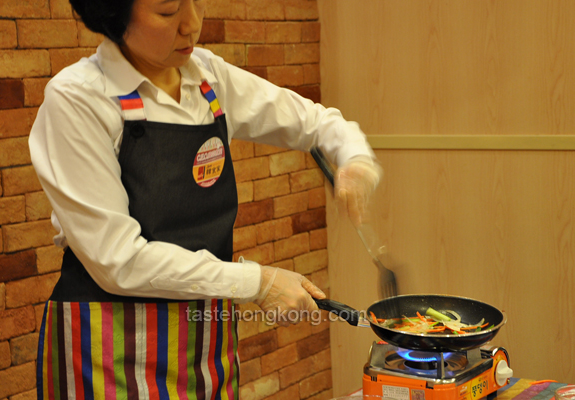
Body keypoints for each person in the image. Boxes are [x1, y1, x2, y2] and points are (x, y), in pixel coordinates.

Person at [29, 0, 383, 399]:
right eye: (167, 12)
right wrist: (259, 281)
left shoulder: (207, 78)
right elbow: (118, 261)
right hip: (108, 348)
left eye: (196, 1)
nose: (192, 25)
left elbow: (317, 123)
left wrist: (354, 158)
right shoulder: (77, 98)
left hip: (204, 341)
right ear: (113, 14)